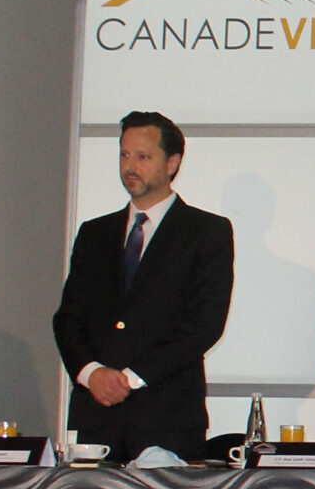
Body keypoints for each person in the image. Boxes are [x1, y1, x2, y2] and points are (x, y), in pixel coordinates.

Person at [52, 111, 232, 461]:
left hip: (167, 417)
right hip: (98, 419)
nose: (130, 166)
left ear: (172, 162)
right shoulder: (94, 233)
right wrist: (92, 374)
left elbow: (204, 324)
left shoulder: (206, 231)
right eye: (124, 154)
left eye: (143, 157)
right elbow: (68, 319)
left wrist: (131, 378)